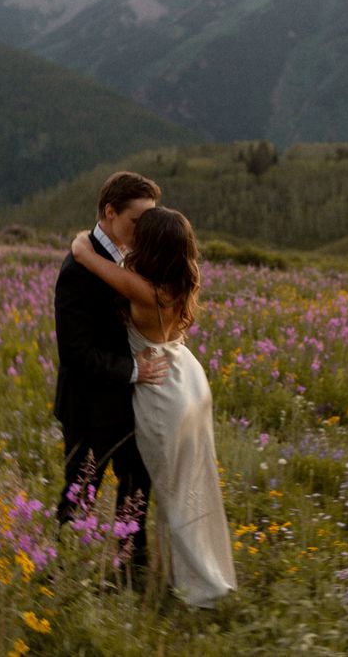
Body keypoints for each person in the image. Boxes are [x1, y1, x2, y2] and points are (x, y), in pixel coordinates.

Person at [72, 206, 237, 608]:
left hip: (162, 390)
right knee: (195, 486)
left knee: (174, 492)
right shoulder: (181, 281)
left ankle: (202, 590)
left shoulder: (144, 290)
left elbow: (83, 254)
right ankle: (190, 573)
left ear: (154, 247)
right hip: (188, 378)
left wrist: (83, 241)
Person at [54, 171, 168, 569]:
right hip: (87, 408)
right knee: (81, 493)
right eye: (137, 221)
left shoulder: (129, 257)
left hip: (130, 404)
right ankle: (61, 574)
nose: (144, 230)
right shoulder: (77, 270)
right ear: (110, 211)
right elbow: (75, 353)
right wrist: (134, 369)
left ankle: (130, 569)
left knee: (137, 486)